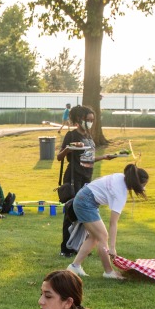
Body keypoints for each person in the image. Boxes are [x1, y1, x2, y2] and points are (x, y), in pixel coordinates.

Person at [67, 163, 148, 280]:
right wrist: (112, 247)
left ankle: (74, 266)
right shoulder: (120, 193)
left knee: (94, 237)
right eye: (142, 186)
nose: (143, 189)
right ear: (135, 183)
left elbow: (98, 181)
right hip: (85, 202)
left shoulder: (120, 176)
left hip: (84, 198)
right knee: (103, 237)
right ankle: (109, 272)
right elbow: (113, 223)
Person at [59, 106, 97, 257]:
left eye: (92, 120)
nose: (90, 123)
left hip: (87, 177)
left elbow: (90, 158)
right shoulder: (71, 135)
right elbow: (60, 157)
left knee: (85, 212)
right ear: (79, 120)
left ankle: (81, 246)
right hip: (74, 177)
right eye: (87, 120)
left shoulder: (88, 136)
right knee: (71, 212)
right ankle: (66, 248)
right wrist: (69, 148)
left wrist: (106, 157)